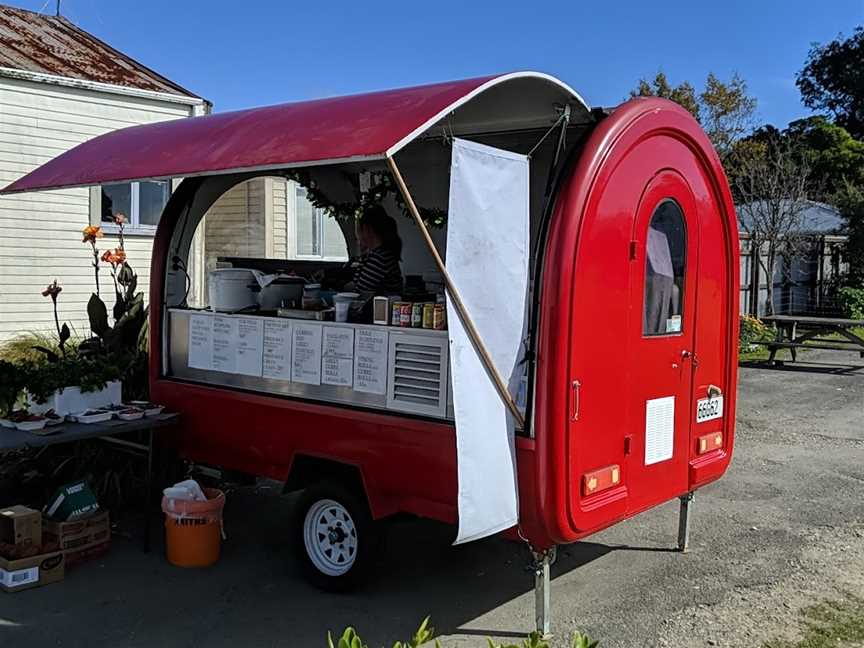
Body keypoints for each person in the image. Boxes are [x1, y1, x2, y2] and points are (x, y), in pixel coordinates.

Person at [352, 205, 403, 295]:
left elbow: (361, 290)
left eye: (361, 230)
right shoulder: (380, 254)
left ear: (368, 230)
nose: (359, 236)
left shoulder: (379, 258)